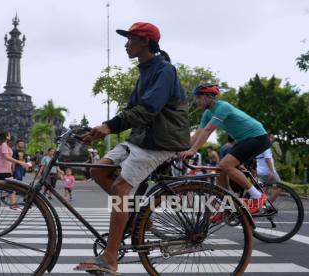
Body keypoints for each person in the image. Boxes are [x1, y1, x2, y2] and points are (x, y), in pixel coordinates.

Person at [76, 22, 190, 274]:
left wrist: (109, 126)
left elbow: (148, 109)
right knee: (97, 170)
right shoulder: (146, 71)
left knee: (119, 189)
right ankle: (133, 214)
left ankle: (110, 258)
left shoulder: (164, 70)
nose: (126, 44)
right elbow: (130, 112)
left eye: (131, 39)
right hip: (142, 139)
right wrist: (100, 130)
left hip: (161, 141)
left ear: (145, 42)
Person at [179, 83, 270, 215]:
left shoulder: (222, 107)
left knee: (225, 165)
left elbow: (209, 130)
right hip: (245, 140)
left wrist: (193, 151)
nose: (197, 100)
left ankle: (257, 196)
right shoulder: (207, 113)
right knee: (220, 169)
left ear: (208, 96)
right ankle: (225, 205)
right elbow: (198, 133)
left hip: (257, 137)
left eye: (198, 97)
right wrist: (179, 150)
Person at [256, 134, 281, 202]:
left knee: (264, 188)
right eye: (271, 138)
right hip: (268, 172)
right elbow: (267, 159)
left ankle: (258, 205)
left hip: (260, 171)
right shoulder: (266, 146)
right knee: (278, 187)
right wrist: (272, 171)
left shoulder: (259, 146)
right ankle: (268, 206)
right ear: (267, 138)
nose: (272, 140)